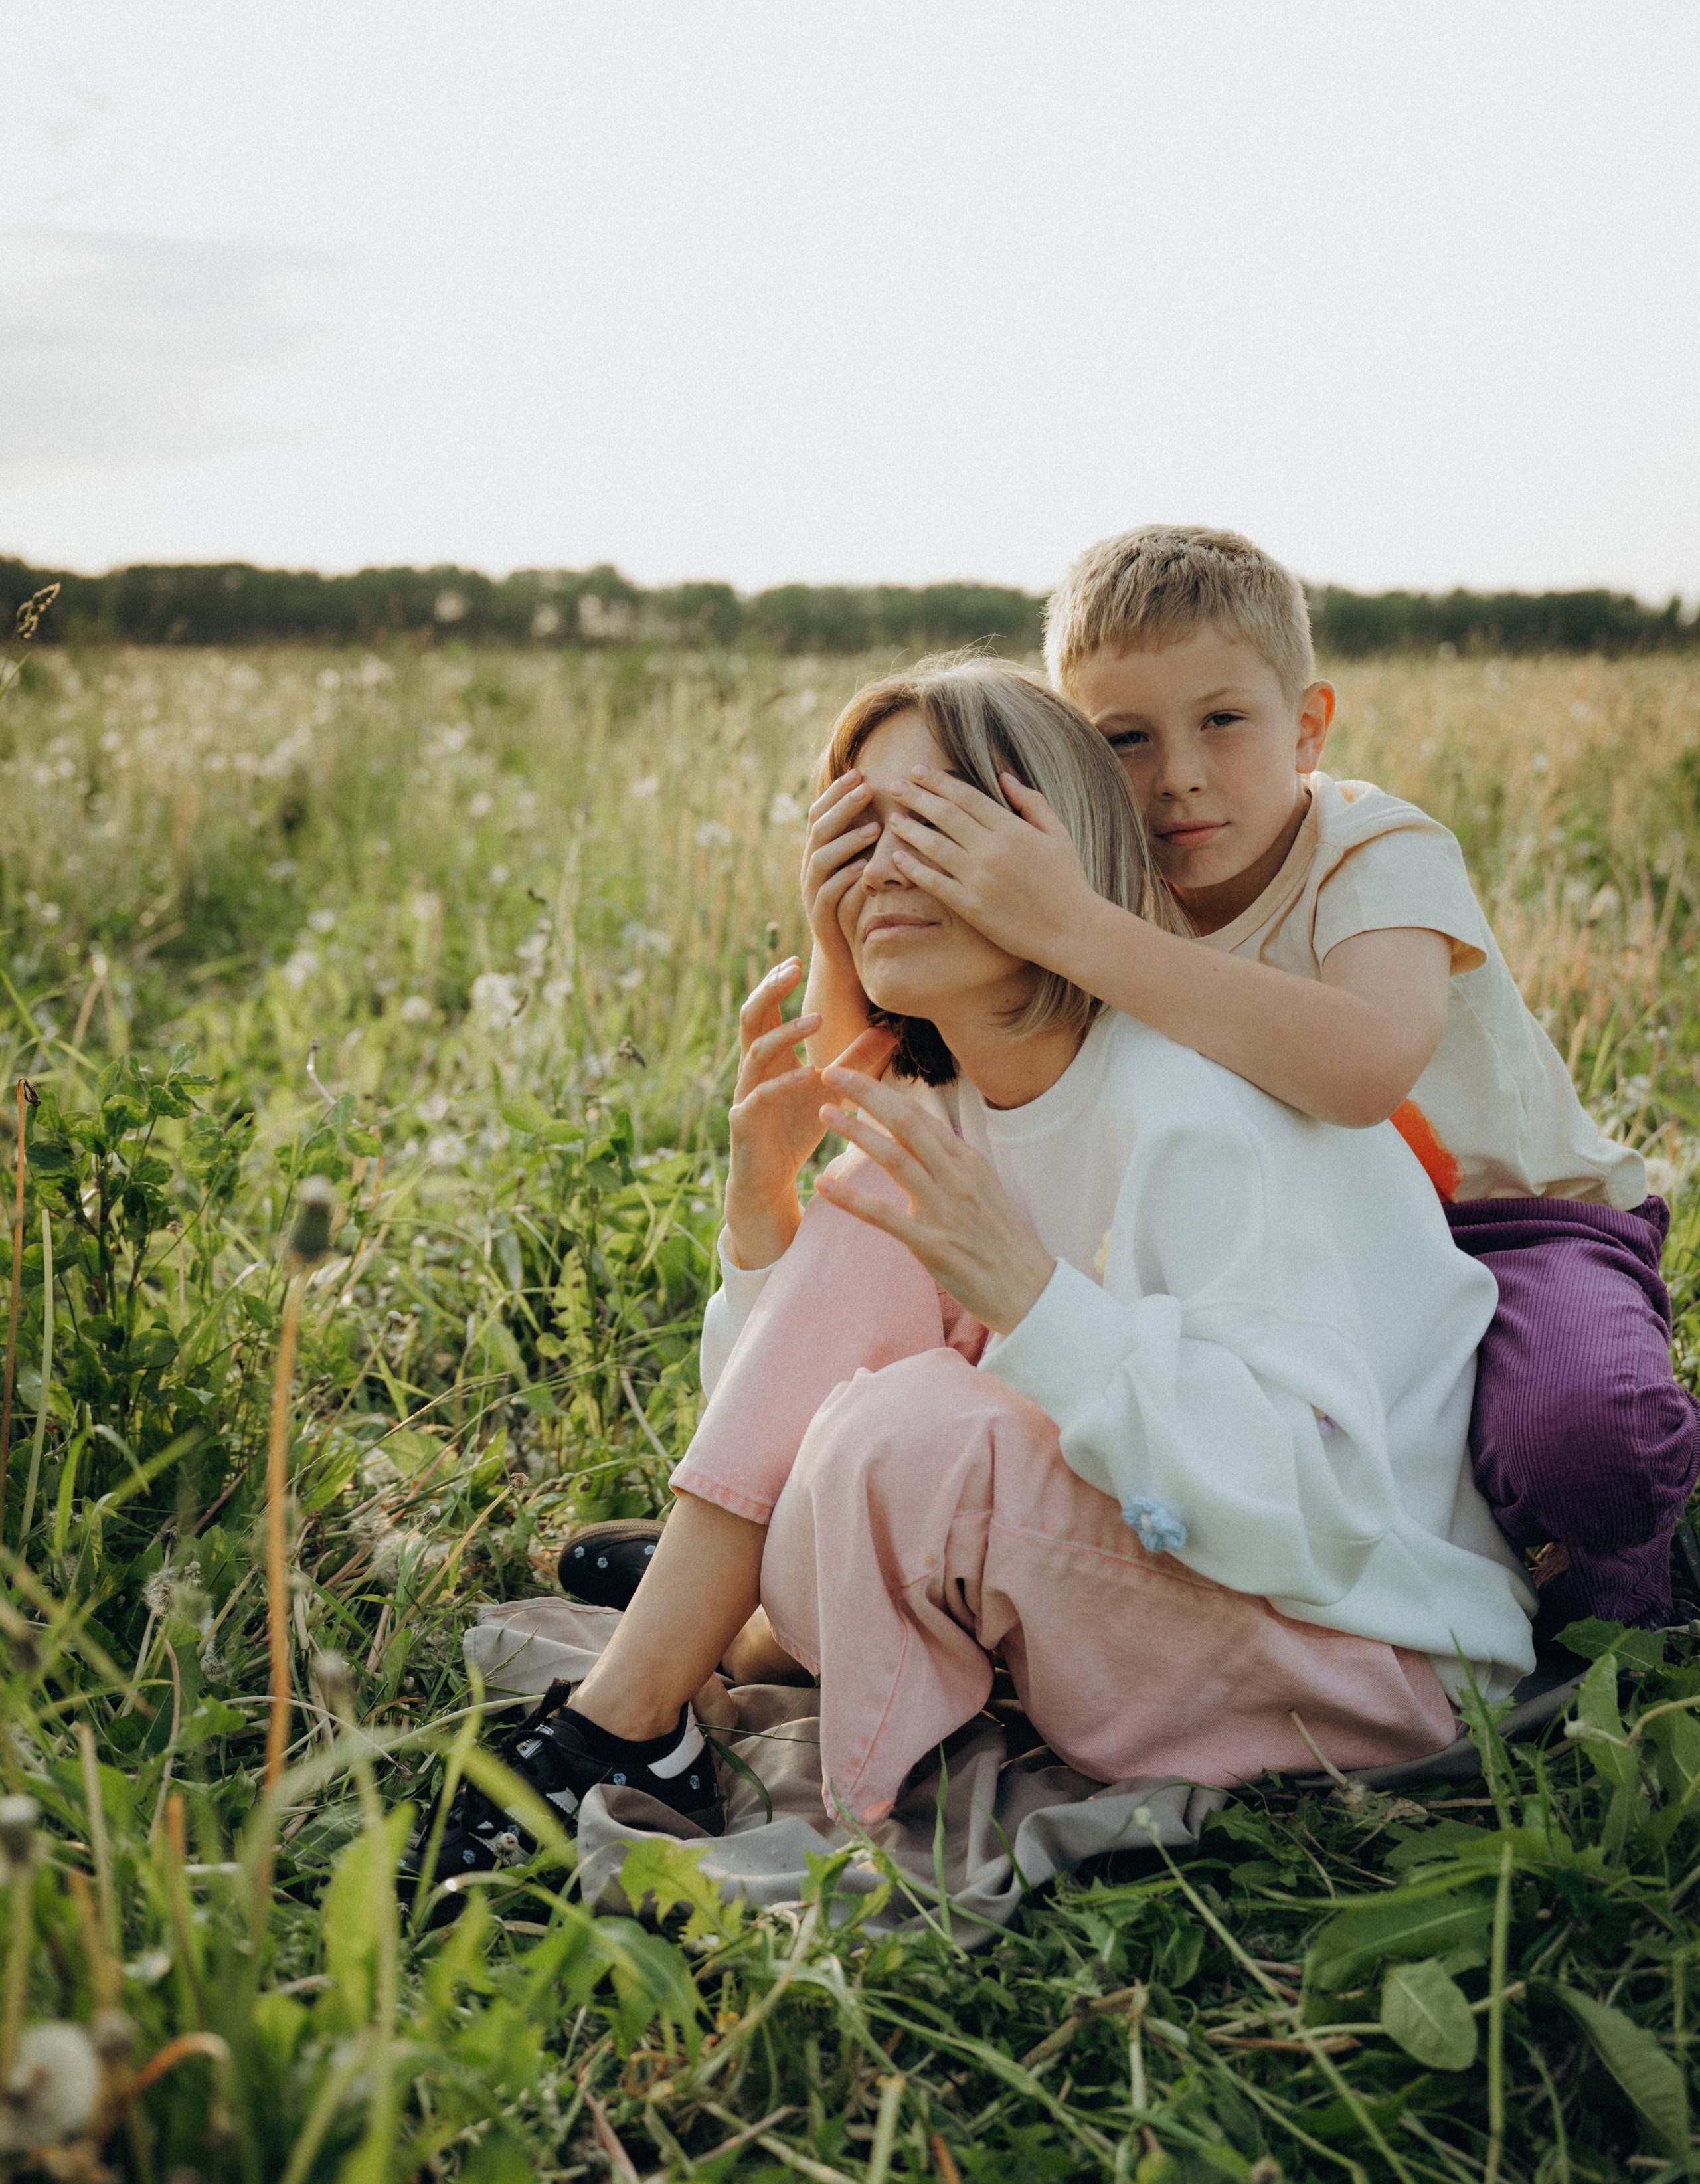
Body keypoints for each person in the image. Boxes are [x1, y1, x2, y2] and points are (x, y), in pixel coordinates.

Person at [451, 660, 1531, 1847]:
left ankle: (693, 1670)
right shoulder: (965, 1102)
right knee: (878, 1233)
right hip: (1199, 1590)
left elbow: (1312, 1517)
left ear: (1051, 855)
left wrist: (1031, 1298)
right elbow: (758, 1440)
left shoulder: (1199, 1110)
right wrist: (764, 1212)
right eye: (854, 831)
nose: (885, 870)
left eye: (934, 823)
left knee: (907, 1437)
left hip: (1373, 1663)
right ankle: (642, 1706)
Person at [800, 529, 1700, 1642]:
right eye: (1123, 738)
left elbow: (1364, 1069)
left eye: (1223, 721)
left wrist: (1077, 929)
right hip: (1299, 1250)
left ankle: (1621, 1624)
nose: (1177, 774)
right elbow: (879, 1070)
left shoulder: (1371, 846)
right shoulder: (1101, 876)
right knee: (1068, 1376)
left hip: (1506, 1231)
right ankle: (800, 1537)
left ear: (1309, 726)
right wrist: (839, 929)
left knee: (1581, 1442)